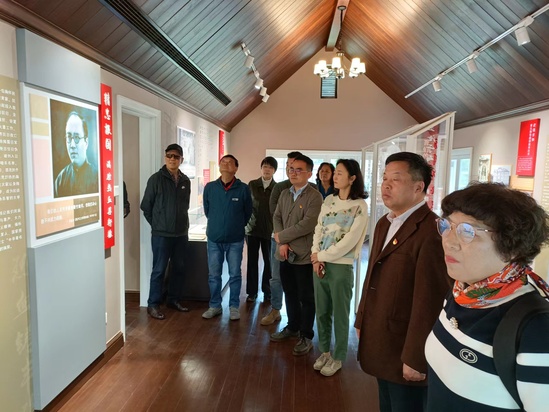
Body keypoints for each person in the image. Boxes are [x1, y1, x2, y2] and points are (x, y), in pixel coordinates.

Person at [425, 182, 549, 411]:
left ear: (512, 247)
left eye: (467, 232)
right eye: (447, 226)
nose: (449, 242)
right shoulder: (462, 293)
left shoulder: (536, 328)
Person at [354, 152, 452, 412]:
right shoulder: (384, 223)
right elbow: (372, 276)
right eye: (384, 178)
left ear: (419, 187)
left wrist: (416, 357)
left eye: (395, 179)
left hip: (405, 347)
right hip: (382, 337)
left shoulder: (431, 231)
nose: (386, 185)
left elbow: (430, 301)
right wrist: (361, 319)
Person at [311, 159, 369, 376]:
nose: (335, 177)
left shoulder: (360, 206)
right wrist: (316, 256)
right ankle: (325, 351)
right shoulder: (329, 200)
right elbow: (319, 228)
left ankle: (338, 357)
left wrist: (321, 255)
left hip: (341, 266)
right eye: (335, 173)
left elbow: (350, 241)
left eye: (340, 173)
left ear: (352, 178)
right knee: (322, 311)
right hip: (320, 263)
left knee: (341, 314)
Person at [270, 154, 322, 356]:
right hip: (284, 253)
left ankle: (306, 335)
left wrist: (281, 237)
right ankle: (292, 327)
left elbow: (307, 224)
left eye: (299, 169)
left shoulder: (315, 196)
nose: (293, 172)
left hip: (303, 256)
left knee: (306, 297)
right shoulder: (285, 193)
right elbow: (277, 216)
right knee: (289, 293)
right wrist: (282, 242)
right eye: (291, 169)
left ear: (309, 173)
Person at [140, 143, 191, 320]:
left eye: (176, 156)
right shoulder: (156, 179)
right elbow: (146, 206)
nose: (172, 159)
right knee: (159, 270)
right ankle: (153, 304)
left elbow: (185, 206)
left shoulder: (185, 181)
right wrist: (158, 225)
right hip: (161, 235)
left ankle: (173, 299)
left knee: (179, 268)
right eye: (169, 155)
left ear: (181, 159)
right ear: (165, 157)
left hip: (181, 234)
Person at [202, 154, 252, 321]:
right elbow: (207, 210)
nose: (226, 164)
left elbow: (247, 212)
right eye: (223, 161)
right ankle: (215, 305)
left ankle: (234, 307)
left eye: (230, 162)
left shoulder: (243, 188)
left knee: (235, 274)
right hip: (214, 239)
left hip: (235, 240)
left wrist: (235, 225)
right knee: (214, 275)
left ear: (236, 168)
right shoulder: (210, 187)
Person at [260, 151, 303, 326]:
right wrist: (283, 239)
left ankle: (298, 316)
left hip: (301, 242)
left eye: (294, 166)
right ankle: (276, 309)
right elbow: (275, 214)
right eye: (288, 165)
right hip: (278, 240)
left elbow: (308, 220)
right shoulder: (280, 188)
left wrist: (290, 236)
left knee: (299, 279)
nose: (290, 169)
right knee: (276, 277)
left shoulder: (312, 190)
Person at [245, 156, 278, 302]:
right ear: (261, 168)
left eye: (270, 167)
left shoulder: (277, 188)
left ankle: (267, 291)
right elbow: (246, 206)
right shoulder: (252, 185)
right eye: (265, 166)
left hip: (269, 230)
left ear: (274, 170)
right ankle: (251, 292)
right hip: (252, 229)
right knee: (252, 261)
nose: (267, 169)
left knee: (269, 262)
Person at [54, 111, 98, 197]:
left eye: (77, 137)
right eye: (69, 137)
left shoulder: (97, 177)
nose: (72, 145)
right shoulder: (60, 180)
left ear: (86, 142)